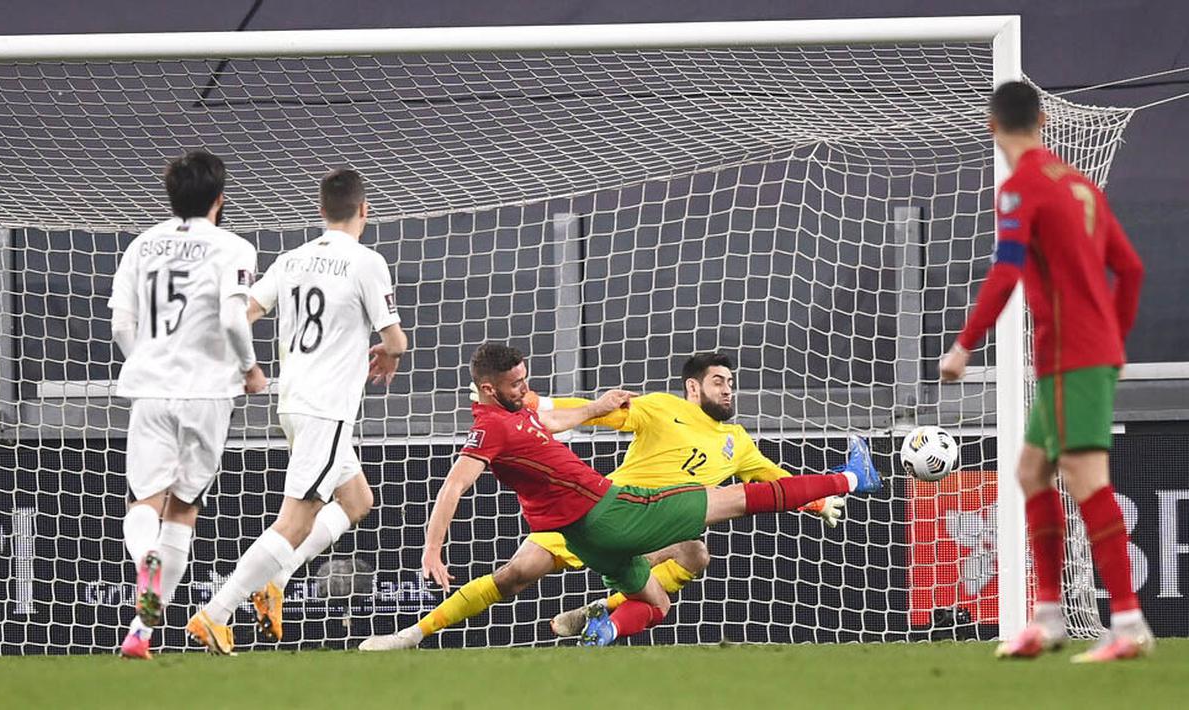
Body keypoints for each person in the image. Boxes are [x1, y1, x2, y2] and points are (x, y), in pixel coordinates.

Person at [367, 343, 879, 649]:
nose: (728, 389)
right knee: (514, 576)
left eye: (731, 382)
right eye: (718, 381)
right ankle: (854, 478)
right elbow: (458, 481)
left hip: (605, 526)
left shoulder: (738, 441)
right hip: (619, 510)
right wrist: (431, 549)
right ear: (693, 387)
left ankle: (603, 625)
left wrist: (815, 502)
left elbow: (772, 478)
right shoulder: (657, 407)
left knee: (680, 573)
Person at [939, 81, 1148, 663]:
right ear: (1045, 120)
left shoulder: (1020, 188)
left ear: (991, 126)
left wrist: (964, 346)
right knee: (1032, 471)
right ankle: (1049, 616)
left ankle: (1127, 623)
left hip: (1072, 356)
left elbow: (1006, 272)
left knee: (1085, 479)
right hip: (1080, 354)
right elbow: (1130, 269)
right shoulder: (1080, 184)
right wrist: (1115, 341)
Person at [186, 168, 408, 654]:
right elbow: (394, 339)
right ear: (364, 210)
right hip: (327, 409)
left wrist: (237, 364)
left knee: (356, 501)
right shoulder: (366, 262)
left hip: (293, 403)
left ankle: (277, 579)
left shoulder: (291, 259)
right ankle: (215, 613)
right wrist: (390, 352)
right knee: (296, 521)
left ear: (321, 211)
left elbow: (243, 313)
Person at [109, 150, 266, 660]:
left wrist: (148, 360)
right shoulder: (233, 246)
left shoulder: (141, 245)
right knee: (182, 509)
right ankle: (142, 629)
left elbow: (120, 325)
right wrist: (249, 368)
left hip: (151, 391)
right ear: (219, 199)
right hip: (208, 394)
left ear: (170, 195)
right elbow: (233, 319)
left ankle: (144, 584)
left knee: (144, 503)